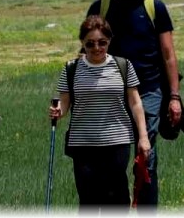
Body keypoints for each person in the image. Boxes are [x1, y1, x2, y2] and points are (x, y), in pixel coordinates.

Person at [86, 0, 183, 209]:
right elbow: (88, 50)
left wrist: (174, 97)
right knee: (112, 158)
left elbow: (168, 55)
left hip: (149, 90)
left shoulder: (155, 7)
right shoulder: (100, 7)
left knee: (146, 156)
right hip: (110, 93)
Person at [49, 15, 151, 211]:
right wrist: (58, 111)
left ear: (109, 40)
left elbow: (135, 102)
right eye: (90, 44)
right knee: (88, 200)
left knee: (116, 197)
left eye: (102, 42)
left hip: (117, 142)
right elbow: (64, 103)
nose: (96, 48)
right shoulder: (71, 69)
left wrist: (143, 137)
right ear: (82, 43)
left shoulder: (123, 66)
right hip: (83, 144)